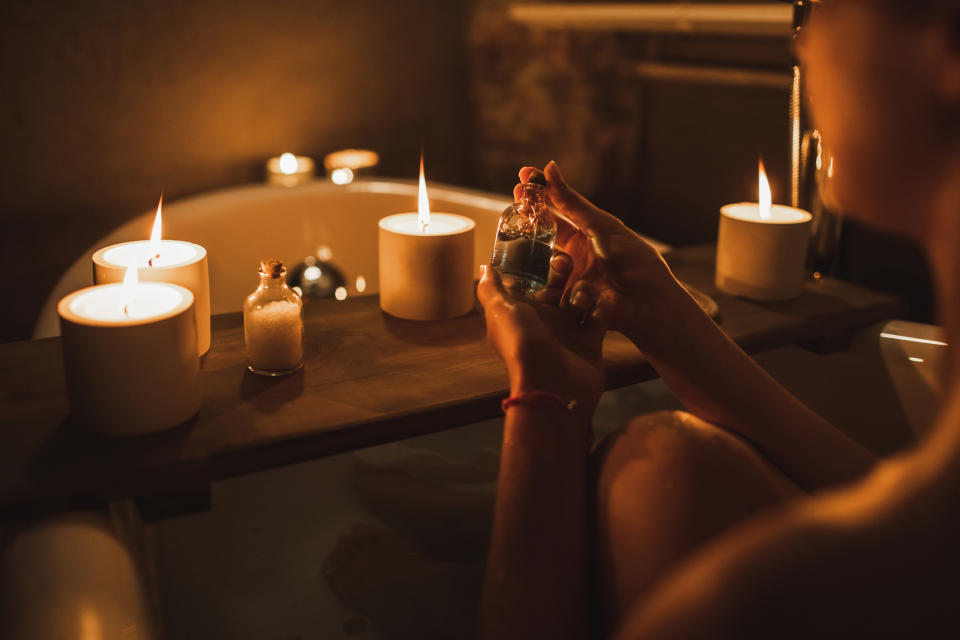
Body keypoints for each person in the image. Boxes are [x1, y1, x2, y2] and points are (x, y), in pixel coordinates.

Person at [477, 1, 960, 637]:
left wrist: (548, 402)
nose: (802, 43)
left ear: (949, 44)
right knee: (673, 460)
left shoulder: (746, 602)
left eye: (822, 8)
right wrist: (672, 324)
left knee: (662, 479)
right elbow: (901, 493)